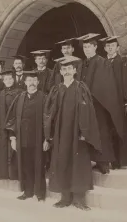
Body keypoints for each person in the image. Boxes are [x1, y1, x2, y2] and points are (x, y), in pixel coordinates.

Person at [44, 56, 102, 210]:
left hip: (77, 133)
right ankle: (65, 197)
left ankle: (79, 199)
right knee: (62, 161)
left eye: (70, 68)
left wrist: (85, 132)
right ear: (61, 72)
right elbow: (50, 112)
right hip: (61, 134)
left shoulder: (81, 88)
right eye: (64, 69)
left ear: (75, 70)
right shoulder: (57, 89)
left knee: (78, 164)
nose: (67, 71)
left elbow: (88, 111)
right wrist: (48, 134)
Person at [76, 33, 124, 174]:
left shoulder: (102, 62)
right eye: (84, 47)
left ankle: (103, 161)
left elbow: (104, 84)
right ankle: (91, 159)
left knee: (101, 131)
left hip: (98, 104)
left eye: (89, 46)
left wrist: (89, 97)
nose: (87, 49)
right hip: (84, 104)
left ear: (95, 47)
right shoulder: (83, 63)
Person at [5, 71, 48, 201]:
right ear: (25, 83)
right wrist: (13, 137)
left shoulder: (44, 98)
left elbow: (49, 120)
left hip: (38, 139)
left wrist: (47, 139)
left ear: (38, 82)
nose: (32, 83)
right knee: (25, 166)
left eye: (34, 80)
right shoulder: (20, 98)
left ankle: (40, 193)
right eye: (29, 81)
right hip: (22, 139)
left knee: (39, 165)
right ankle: (28, 191)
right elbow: (11, 118)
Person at [102, 36, 127, 168]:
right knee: (109, 131)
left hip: (121, 104)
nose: (110, 48)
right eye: (107, 46)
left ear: (117, 48)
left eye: (112, 45)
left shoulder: (124, 62)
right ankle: (111, 160)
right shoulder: (102, 63)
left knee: (122, 131)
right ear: (104, 48)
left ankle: (122, 161)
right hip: (107, 105)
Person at [0, 70, 23, 180]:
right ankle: (2, 173)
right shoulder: (0, 94)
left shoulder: (20, 92)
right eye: (6, 79)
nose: (8, 81)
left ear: (13, 80)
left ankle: (14, 174)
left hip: (16, 125)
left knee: (14, 148)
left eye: (10, 79)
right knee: (2, 148)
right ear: (3, 81)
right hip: (2, 125)